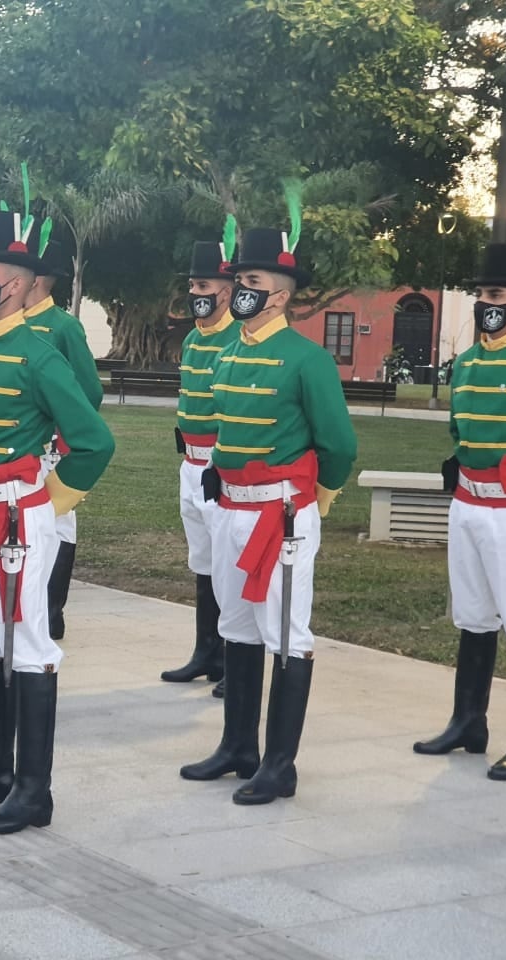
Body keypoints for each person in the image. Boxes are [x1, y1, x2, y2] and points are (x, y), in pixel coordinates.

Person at [0, 208, 115, 834]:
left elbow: (93, 440)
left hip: (14, 515)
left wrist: (53, 498)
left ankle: (34, 790)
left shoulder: (38, 354)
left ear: (19, 281)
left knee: (27, 643)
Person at [178, 204, 357, 806]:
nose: (241, 293)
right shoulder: (229, 352)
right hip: (231, 509)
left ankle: (280, 764)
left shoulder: (307, 359)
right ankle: (238, 748)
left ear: (279, 297)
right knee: (237, 626)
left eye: (252, 285)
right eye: (240, 283)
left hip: (281, 517)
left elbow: (338, 444)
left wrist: (316, 500)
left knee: (286, 631)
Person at [414, 216, 506, 780]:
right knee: (473, 615)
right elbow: (461, 428)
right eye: (479, 295)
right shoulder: (469, 360)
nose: (484, 304)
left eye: (494, 295)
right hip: (470, 503)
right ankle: (468, 722)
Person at [161, 220, 242, 696]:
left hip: (219, 465)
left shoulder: (237, 341)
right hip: (189, 463)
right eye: (192, 284)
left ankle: (236, 659)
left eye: (204, 285)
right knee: (204, 563)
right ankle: (206, 651)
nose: (195, 293)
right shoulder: (193, 339)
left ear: (229, 292)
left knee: (229, 566)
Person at [22, 222, 104, 640]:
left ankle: (52, 609)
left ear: (37, 278)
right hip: (17, 452)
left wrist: (60, 429)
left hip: (51, 447)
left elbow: (88, 392)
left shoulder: (63, 326)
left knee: (58, 524)